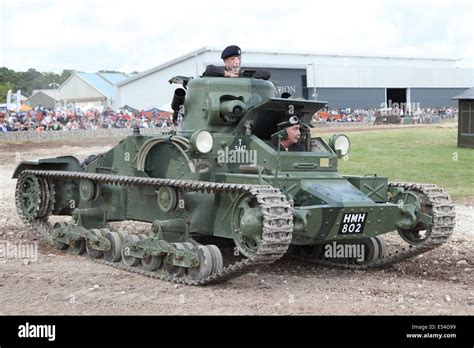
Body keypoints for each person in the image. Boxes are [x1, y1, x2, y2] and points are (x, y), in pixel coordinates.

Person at [203, 45, 271, 80]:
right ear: (225, 61)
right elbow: (210, 69)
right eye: (232, 59)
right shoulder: (219, 72)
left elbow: (266, 74)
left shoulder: (243, 73)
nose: (237, 63)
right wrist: (229, 74)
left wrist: (241, 74)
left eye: (239, 59)